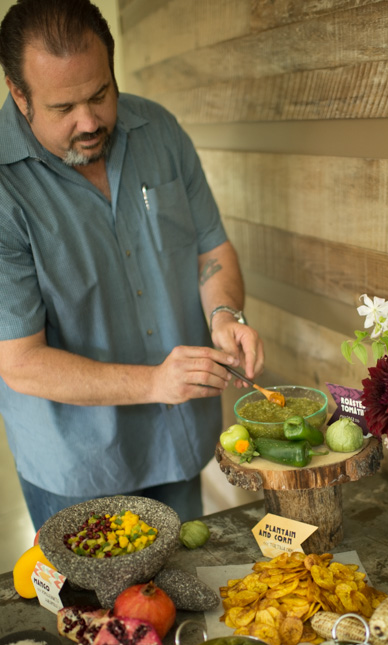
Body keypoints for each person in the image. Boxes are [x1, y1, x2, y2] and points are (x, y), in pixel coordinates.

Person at [0, 0, 264, 531]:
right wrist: (155, 383)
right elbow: (20, 361)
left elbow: (210, 250)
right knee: (100, 615)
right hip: (76, 469)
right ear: (18, 94)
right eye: (63, 107)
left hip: (179, 438)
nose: (90, 121)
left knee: (180, 595)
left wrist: (225, 315)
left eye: (100, 94)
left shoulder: (159, 131)